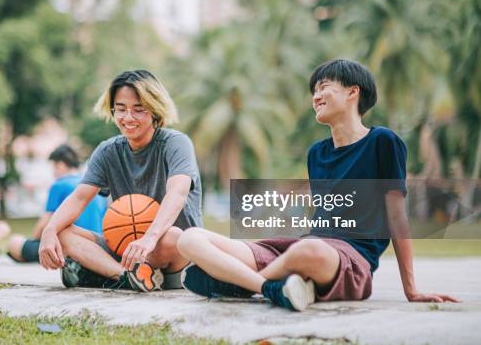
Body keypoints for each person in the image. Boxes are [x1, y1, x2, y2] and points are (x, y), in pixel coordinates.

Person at [177, 59, 459, 311]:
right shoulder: (317, 153)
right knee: (189, 238)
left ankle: (235, 282)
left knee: (307, 251)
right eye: (314, 91)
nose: (316, 96)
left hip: (349, 261)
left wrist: (411, 290)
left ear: (353, 92)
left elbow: (397, 217)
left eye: (323, 87)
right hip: (303, 248)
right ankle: (272, 288)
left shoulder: (382, 141)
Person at [39, 70, 203, 292]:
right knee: (62, 232)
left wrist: (149, 239)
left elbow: (178, 193)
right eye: (121, 109)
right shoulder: (107, 151)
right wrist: (49, 230)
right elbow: (79, 198)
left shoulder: (176, 143)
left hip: (170, 250)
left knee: (174, 236)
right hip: (126, 249)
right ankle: (126, 277)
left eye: (138, 109)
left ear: (155, 110)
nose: (128, 118)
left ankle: (100, 272)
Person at [7, 144, 107, 262]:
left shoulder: (59, 184)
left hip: (68, 247)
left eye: (53, 167)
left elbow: (45, 222)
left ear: (60, 165)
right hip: (97, 248)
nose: (53, 172)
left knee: (14, 242)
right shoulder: (94, 186)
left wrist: (35, 241)